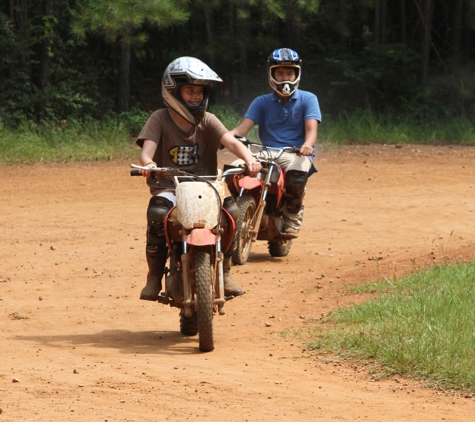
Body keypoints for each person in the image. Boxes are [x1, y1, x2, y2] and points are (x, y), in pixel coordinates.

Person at [136, 56, 261, 302]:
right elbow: (146, 152)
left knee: (231, 210)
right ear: (173, 90)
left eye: (200, 91)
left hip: (207, 185)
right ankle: (153, 277)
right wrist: (149, 165)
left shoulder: (208, 119)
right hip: (169, 186)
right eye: (190, 90)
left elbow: (231, 142)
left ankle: (224, 272)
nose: (196, 96)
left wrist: (249, 159)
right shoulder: (159, 118)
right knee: (157, 213)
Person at [230, 48, 321, 238]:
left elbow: (311, 130)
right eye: (279, 72)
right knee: (233, 170)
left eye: (290, 72)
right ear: (271, 74)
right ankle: (235, 214)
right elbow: (241, 129)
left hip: (296, 153)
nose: (285, 77)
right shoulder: (261, 102)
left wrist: (307, 145)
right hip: (265, 152)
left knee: (297, 176)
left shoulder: (308, 99)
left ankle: (292, 216)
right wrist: (225, 136)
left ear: (297, 73)